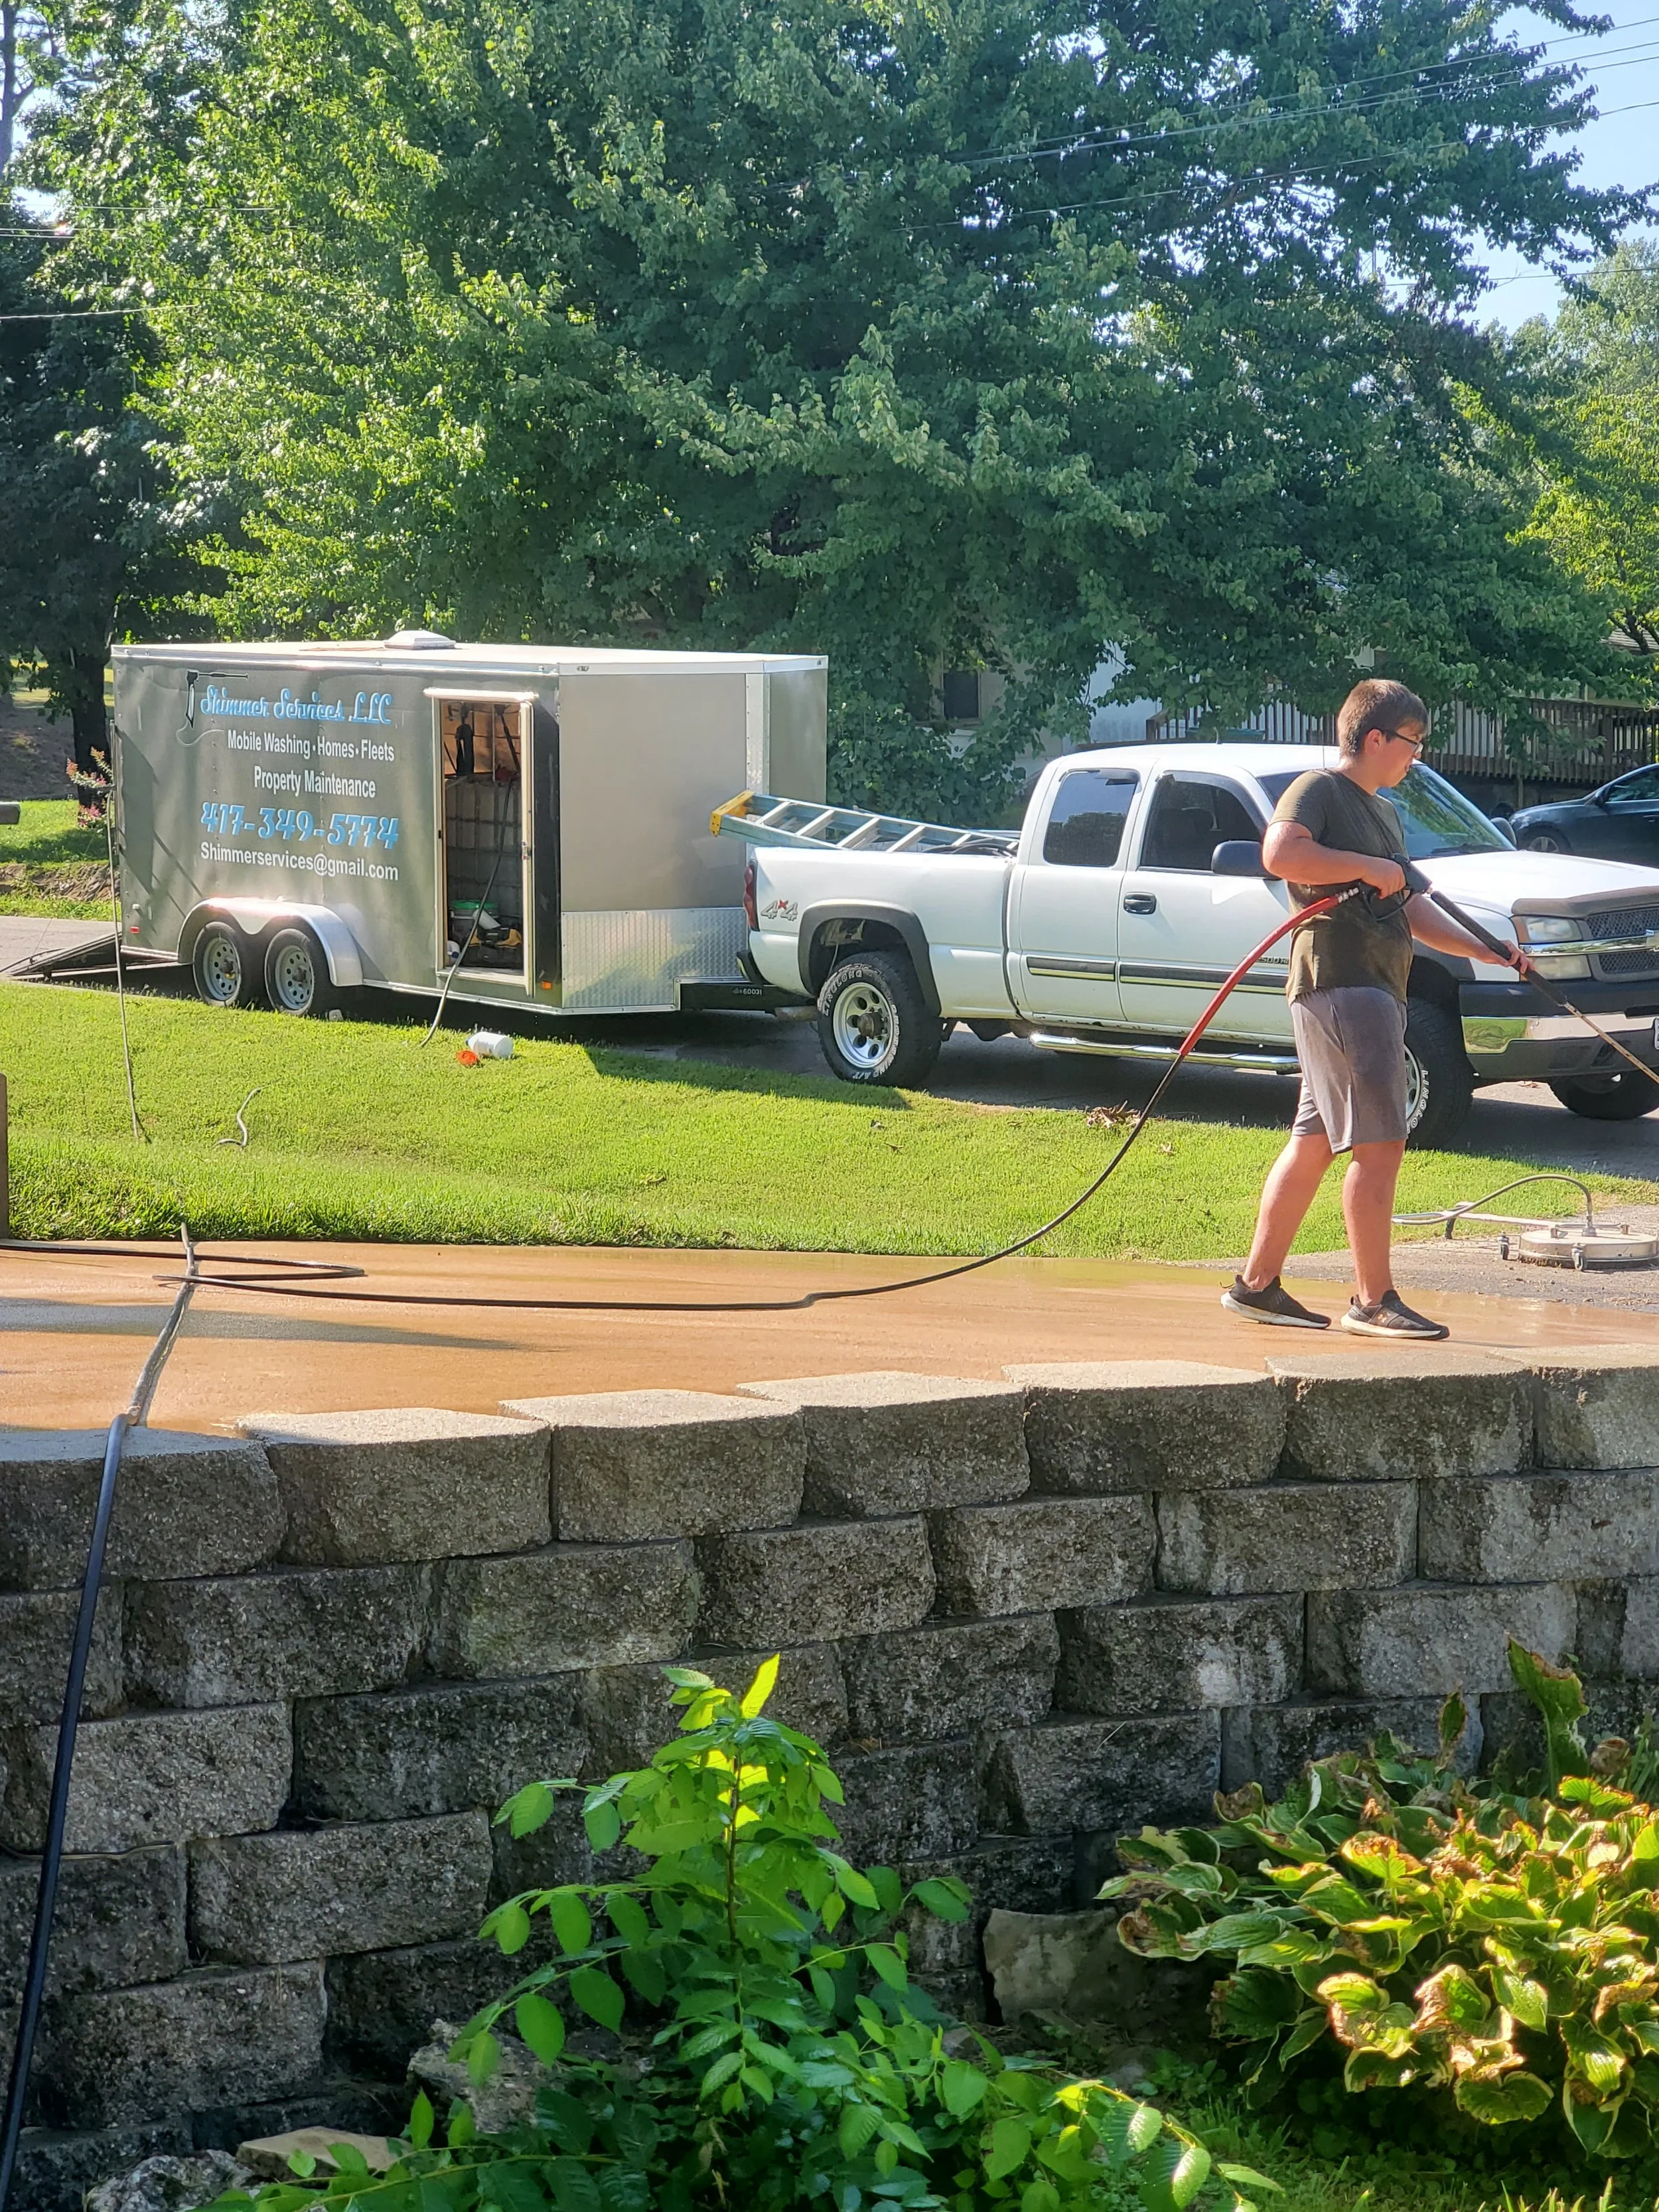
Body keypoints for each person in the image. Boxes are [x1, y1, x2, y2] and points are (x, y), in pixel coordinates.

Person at [1223, 679, 1524, 1339]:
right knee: (1380, 1142)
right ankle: (1371, 1300)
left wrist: (1490, 950)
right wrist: (1367, 866)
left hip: (1373, 985)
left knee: (1312, 1141)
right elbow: (1280, 854)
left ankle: (1256, 1286)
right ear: (1375, 737)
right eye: (1412, 743)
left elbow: (1409, 910)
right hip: (1343, 981)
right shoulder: (1319, 789)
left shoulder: (1382, 813)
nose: (1415, 757)